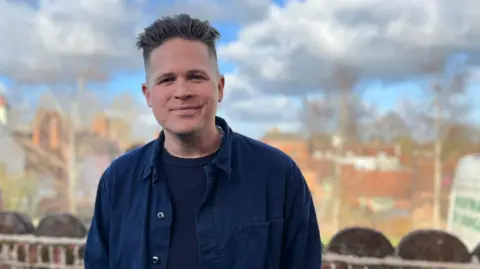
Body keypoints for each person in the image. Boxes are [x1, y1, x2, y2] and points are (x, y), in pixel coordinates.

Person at [84, 13, 322, 269]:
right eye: (167, 79)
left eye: (196, 76)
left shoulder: (278, 176)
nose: (182, 91)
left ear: (219, 87)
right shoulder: (118, 182)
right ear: (148, 95)